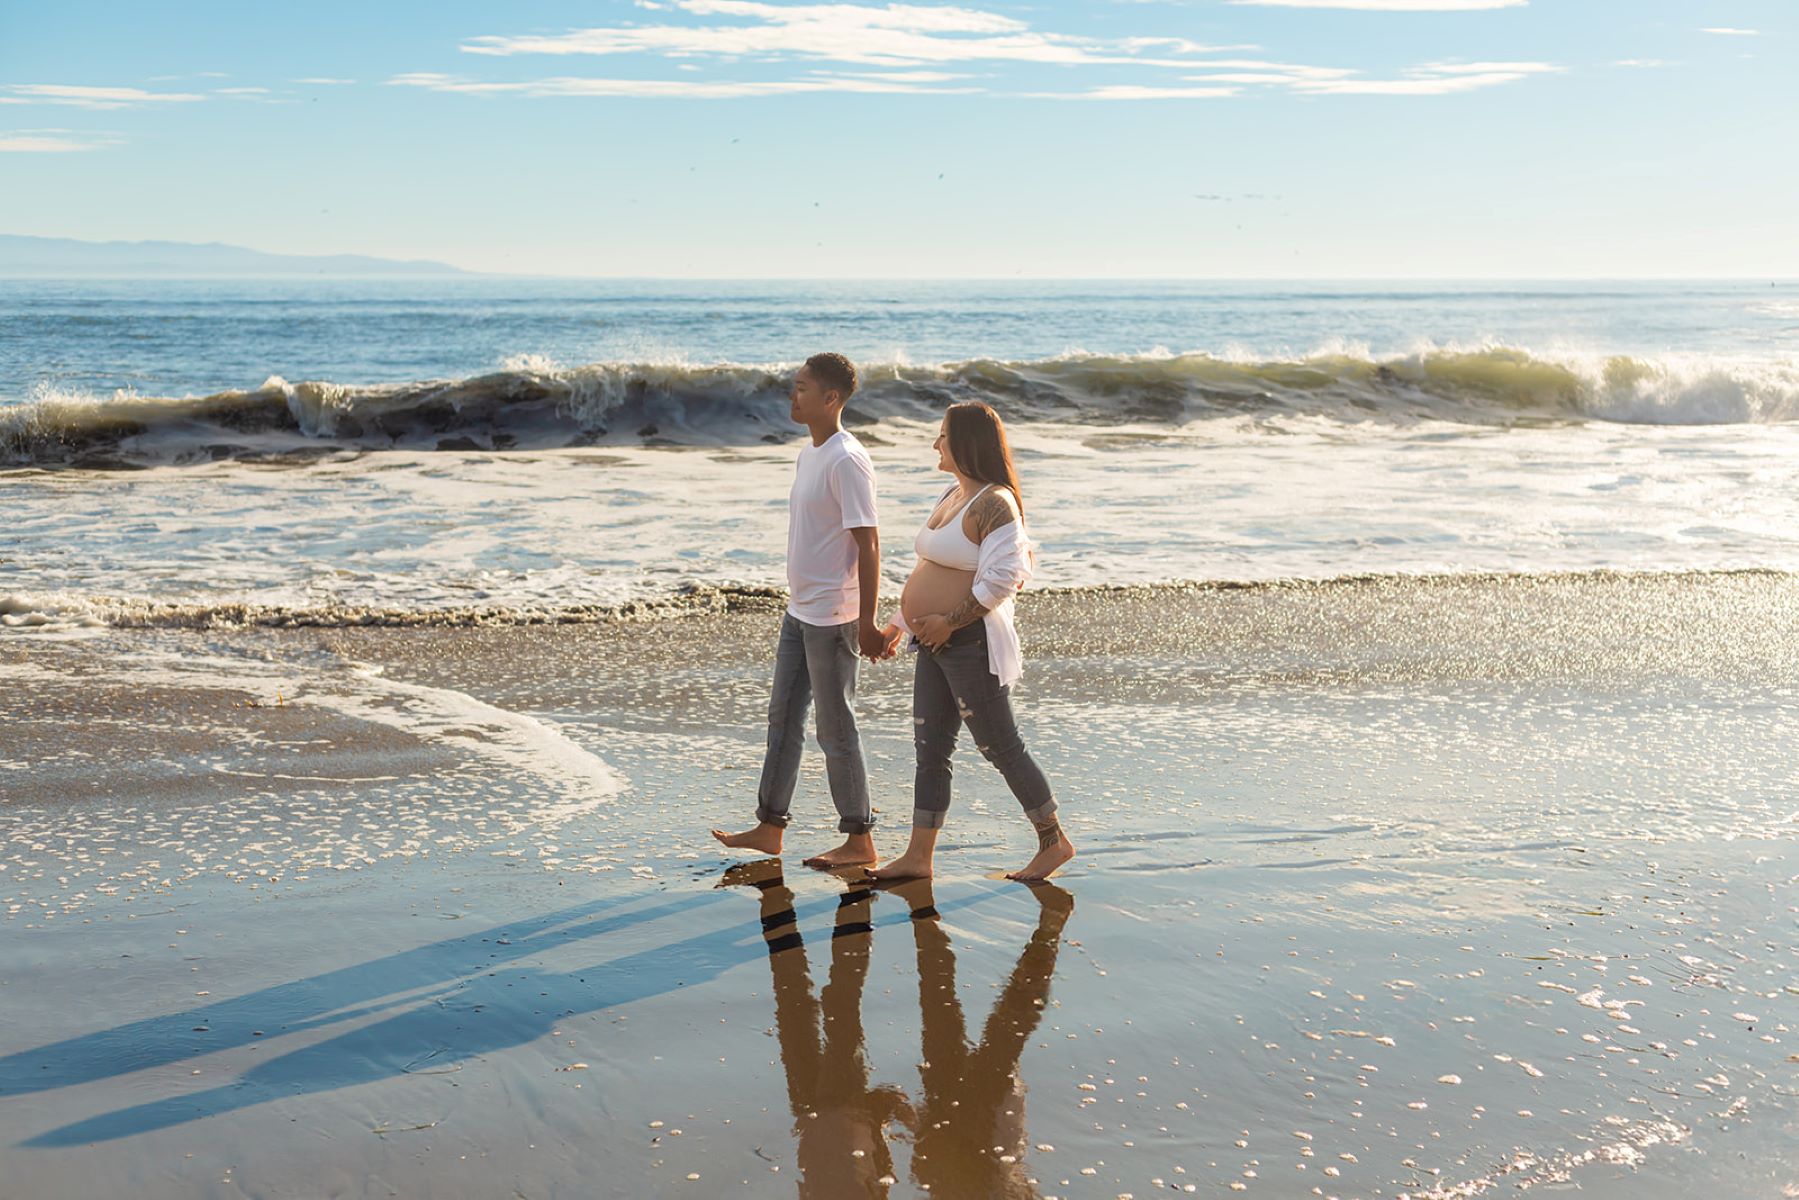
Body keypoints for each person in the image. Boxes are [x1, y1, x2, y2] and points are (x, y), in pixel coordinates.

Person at [869, 402, 1075, 882]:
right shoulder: (953, 494)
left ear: (964, 442)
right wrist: (901, 623)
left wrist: (950, 623)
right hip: (932, 641)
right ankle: (919, 857)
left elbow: (1007, 575)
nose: (935, 444)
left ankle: (1053, 840)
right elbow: (933, 570)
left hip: (970, 643)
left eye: (942, 435)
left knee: (1000, 744)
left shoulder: (995, 502)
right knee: (930, 748)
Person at [713, 353, 893, 868]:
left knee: (835, 731)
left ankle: (860, 839)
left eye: (801, 388)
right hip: (800, 613)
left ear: (830, 398)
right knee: (783, 719)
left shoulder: (847, 459)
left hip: (835, 617)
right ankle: (770, 828)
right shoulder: (809, 453)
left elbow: (870, 544)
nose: (793, 397)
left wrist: (866, 620)